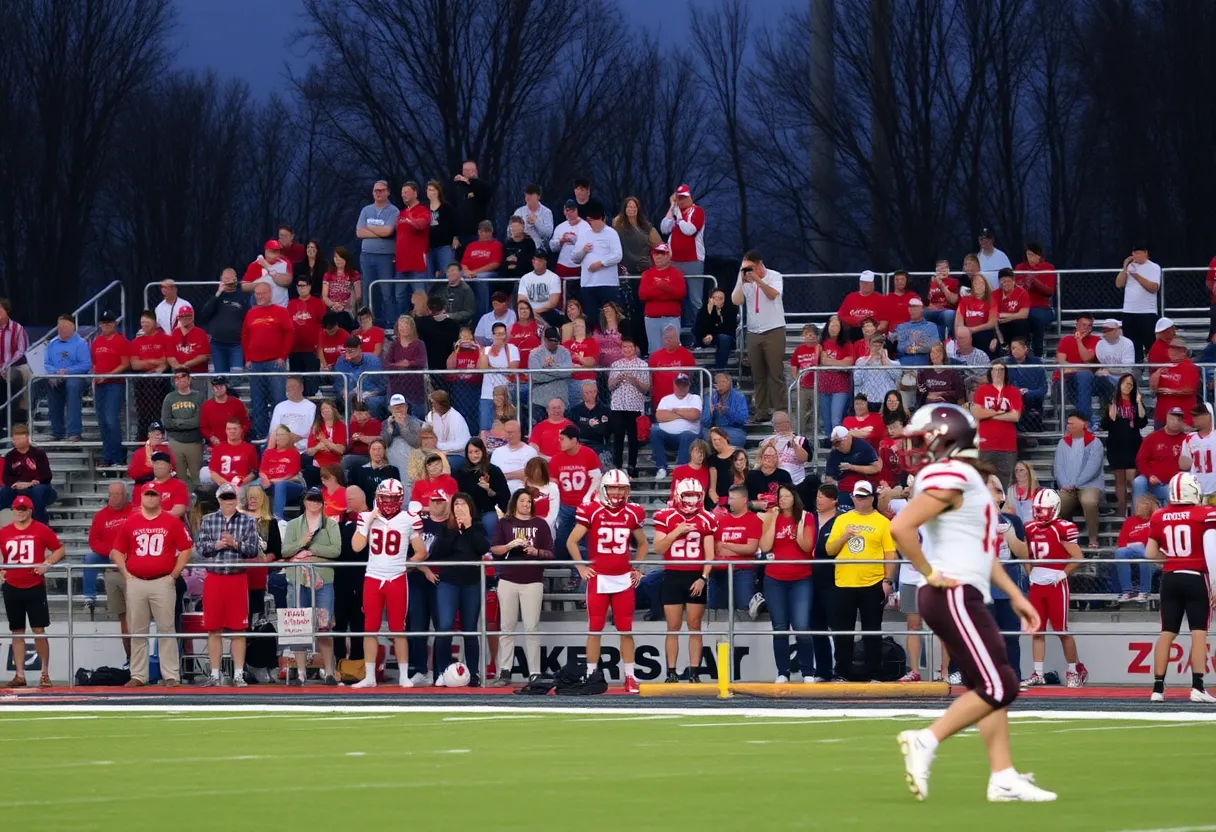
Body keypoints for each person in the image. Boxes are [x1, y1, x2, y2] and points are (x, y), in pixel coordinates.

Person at [890, 402, 1056, 803]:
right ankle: (925, 740)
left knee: (990, 681)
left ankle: (1002, 776)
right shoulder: (955, 474)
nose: (921, 445)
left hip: (964, 592)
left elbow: (984, 551)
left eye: (926, 436)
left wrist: (1016, 593)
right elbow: (900, 526)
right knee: (1003, 683)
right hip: (953, 592)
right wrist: (929, 572)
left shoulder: (963, 477)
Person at [567, 470, 648, 693]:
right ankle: (591, 673)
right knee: (595, 628)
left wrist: (638, 568)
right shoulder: (592, 511)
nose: (618, 492)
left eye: (622, 488)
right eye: (613, 488)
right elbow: (572, 541)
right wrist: (580, 566)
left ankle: (630, 676)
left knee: (626, 630)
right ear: (604, 489)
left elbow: (642, 544)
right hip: (600, 577)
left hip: (623, 577)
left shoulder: (632, 513)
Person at [109, 485, 193, 688]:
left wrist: (174, 575)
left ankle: (171, 674)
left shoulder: (171, 522)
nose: (151, 498)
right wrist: (126, 574)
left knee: (166, 629)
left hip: (162, 580)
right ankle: (138, 674)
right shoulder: (131, 523)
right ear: (141, 497)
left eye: (154, 495)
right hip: (137, 581)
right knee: (138, 631)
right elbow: (116, 551)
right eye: (148, 494)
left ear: (160, 498)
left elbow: (186, 548)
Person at [1144, 472, 1216, 703]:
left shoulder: (1159, 516)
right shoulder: (1205, 514)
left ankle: (1157, 689)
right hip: (1196, 578)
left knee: (1167, 633)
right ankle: (1197, 687)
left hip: (1171, 579)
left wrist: (1173, 559)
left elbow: (1150, 553)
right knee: (1198, 633)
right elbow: (1212, 550)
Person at [350, 479, 427, 688]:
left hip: (397, 578)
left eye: (393, 498)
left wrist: (406, 564)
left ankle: (403, 675)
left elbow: (421, 551)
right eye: (385, 498)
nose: (389, 502)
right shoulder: (366, 516)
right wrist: (368, 521)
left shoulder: (408, 519)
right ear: (378, 497)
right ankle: (370, 677)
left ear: (400, 499)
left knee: (398, 629)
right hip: (373, 577)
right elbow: (356, 547)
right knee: (370, 628)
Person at [824, 481, 895, 681]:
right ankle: (842, 672)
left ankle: (874, 673)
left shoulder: (883, 522)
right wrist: (844, 536)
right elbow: (830, 550)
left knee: (872, 629)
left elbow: (890, 554)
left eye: (864, 496)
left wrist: (888, 580)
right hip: (844, 582)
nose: (859, 499)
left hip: (873, 582)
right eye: (857, 496)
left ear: (872, 498)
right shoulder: (841, 520)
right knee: (842, 631)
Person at [195, 482, 260, 687]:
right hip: (214, 578)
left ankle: (238, 674)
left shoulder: (248, 522)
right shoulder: (208, 521)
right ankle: (214, 674)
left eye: (231, 498)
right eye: (225, 498)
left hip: (236, 578)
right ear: (219, 500)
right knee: (213, 628)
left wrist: (235, 544)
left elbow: (253, 550)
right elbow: (201, 549)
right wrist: (217, 545)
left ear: (236, 500)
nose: (228, 501)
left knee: (238, 628)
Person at [1021, 489, 1087, 688]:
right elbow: (1027, 555)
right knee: (1037, 631)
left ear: (1054, 509)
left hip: (1056, 583)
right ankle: (1038, 673)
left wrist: (1063, 573)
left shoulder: (1063, 528)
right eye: (1037, 510)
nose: (1039, 514)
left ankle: (1074, 670)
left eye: (1043, 510)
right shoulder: (1029, 528)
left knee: (1062, 630)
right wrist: (1030, 571)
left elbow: (1078, 557)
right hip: (1037, 584)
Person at [653, 478, 716, 683]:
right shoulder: (666, 517)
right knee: (673, 626)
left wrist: (703, 578)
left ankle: (694, 672)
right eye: (687, 495)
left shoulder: (706, 519)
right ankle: (671, 672)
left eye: (694, 496)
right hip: (672, 574)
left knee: (694, 625)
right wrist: (677, 531)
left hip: (694, 576)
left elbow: (710, 555)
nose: (690, 500)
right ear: (679, 496)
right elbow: (659, 548)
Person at [488, 488, 553, 685]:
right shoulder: (504, 523)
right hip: (508, 579)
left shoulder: (540, 524)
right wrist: (509, 546)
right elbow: (494, 549)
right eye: (523, 501)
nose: (526, 504)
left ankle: (535, 672)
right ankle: (504, 672)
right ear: (515, 502)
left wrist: (536, 552)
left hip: (533, 581)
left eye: (529, 501)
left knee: (531, 627)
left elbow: (551, 553)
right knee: (506, 626)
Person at [0, 496, 64, 689]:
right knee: (17, 631)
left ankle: (44, 673)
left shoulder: (41, 529)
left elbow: (59, 550)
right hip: (12, 585)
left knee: (39, 630)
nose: (19, 512)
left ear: (30, 510)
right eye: (16, 509)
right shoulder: (4, 532)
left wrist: (47, 564)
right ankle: (20, 675)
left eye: (23, 509)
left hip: (34, 585)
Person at [429, 492, 491, 686]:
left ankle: (473, 674)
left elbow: (482, 547)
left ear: (469, 507)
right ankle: (441, 672)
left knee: (470, 630)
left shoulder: (478, 526)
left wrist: (470, 527)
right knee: (445, 627)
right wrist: (456, 530)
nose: (459, 508)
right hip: (448, 582)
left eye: (463, 504)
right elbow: (437, 552)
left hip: (471, 584)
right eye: (456, 505)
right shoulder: (445, 528)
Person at [282, 487, 342, 685]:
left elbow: (336, 550)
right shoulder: (292, 525)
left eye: (318, 500)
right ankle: (300, 673)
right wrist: (302, 542)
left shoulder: (331, 524)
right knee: (298, 626)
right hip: (298, 579)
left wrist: (310, 550)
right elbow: (285, 550)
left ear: (322, 502)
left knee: (324, 626)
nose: (314, 503)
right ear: (304, 501)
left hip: (323, 580)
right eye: (311, 499)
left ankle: (330, 671)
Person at [757, 483, 817, 683]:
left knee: (801, 625)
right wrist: (772, 520)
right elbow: (765, 546)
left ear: (794, 497)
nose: (783, 500)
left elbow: (807, 547)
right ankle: (783, 672)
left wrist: (798, 529)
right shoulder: (770, 516)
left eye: (786, 496)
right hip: (774, 579)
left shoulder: (806, 517)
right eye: (780, 496)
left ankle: (808, 671)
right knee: (780, 627)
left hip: (801, 578)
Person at [731, 251, 785, 423]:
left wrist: (758, 280)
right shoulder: (745, 281)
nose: (748, 271)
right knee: (758, 374)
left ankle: (780, 411)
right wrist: (741, 278)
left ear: (760, 264)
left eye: (751, 267)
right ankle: (762, 411)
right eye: (746, 267)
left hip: (774, 329)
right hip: (754, 331)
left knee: (776, 372)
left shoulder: (774, 276)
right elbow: (736, 300)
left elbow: (773, 294)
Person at [242, 281, 294, 440]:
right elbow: (245, 335)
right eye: (256, 294)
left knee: (279, 400)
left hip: (274, 363)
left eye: (262, 293)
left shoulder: (281, 312)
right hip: (255, 364)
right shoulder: (250, 313)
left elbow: (289, 333)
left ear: (270, 293)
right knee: (258, 402)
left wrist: (282, 357)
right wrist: (247, 358)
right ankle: (261, 435)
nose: (259, 297)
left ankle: (280, 435)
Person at [1053, 409, 1105, 550]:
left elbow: (1092, 468)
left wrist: (1076, 484)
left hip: (1090, 485)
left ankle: (1093, 537)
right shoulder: (1063, 443)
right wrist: (1064, 484)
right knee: (1057, 503)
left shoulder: (1095, 443)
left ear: (1084, 424)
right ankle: (1067, 535)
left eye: (1073, 423)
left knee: (1089, 501)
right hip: (1068, 487)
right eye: (1068, 423)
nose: (1069, 426)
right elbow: (1058, 466)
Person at [550, 425, 603, 562]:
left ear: (574, 440)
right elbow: (553, 484)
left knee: (588, 537)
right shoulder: (556, 459)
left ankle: (591, 563)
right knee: (562, 537)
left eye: (562, 439)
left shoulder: (589, 454)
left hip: (585, 505)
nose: (559, 442)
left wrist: (587, 497)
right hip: (565, 504)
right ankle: (561, 564)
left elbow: (596, 478)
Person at [84, 481, 135, 616]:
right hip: (107, 555)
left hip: (129, 555)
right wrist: (111, 552)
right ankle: (89, 596)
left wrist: (123, 552)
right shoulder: (100, 515)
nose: (114, 498)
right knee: (89, 559)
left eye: (117, 494)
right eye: (111, 494)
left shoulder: (135, 512)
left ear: (125, 495)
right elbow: (93, 541)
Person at [971, 362, 1022, 489]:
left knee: (1003, 487)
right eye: (995, 370)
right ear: (990, 373)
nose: (998, 373)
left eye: (1001, 370)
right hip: (985, 446)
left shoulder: (1013, 392)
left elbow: (1015, 416)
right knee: (982, 485)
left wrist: (989, 415)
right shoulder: (982, 390)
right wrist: (998, 412)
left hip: (1007, 447)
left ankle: (1000, 509)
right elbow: (977, 413)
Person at [89, 310, 130, 466]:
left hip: (115, 384)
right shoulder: (97, 341)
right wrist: (95, 374)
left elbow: (125, 363)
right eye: (103, 323)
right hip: (99, 385)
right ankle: (108, 457)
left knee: (111, 419)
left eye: (109, 323)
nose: (106, 325)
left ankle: (118, 456)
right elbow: (94, 363)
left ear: (115, 324)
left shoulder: (121, 341)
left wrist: (107, 375)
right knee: (102, 421)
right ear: (100, 325)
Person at [333, 486, 368, 666]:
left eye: (352, 496)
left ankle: (358, 662)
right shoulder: (341, 521)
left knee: (358, 621)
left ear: (362, 497)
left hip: (361, 576)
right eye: (346, 497)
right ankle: (338, 661)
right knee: (339, 621)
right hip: (341, 578)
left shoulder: (370, 519)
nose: (348, 500)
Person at [42, 314, 91, 441]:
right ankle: (56, 431)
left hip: (77, 377)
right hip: (58, 376)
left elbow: (86, 364)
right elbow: (47, 364)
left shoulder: (81, 343)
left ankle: (74, 432)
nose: (61, 329)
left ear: (72, 327)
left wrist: (67, 371)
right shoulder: (52, 344)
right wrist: (55, 373)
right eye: (59, 326)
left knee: (72, 385)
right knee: (50, 383)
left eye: (64, 326)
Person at [572, 200, 623, 316]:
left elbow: (618, 255)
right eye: (592, 221)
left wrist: (601, 263)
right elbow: (575, 258)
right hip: (588, 285)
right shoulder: (584, 233)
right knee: (591, 318)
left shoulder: (611, 233)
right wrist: (583, 251)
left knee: (610, 318)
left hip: (608, 284)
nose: (595, 225)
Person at [355, 181, 399, 313]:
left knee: (386, 291)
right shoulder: (366, 210)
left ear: (388, 192)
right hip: (366, 255)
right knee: (368, 290)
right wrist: (380, 231)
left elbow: (388, 232)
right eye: (375, 191)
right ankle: (368, 321)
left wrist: (369, 227)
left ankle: (390, 322)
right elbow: (359, 232)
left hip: (385, 257)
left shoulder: (394, 211)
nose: (378, 193)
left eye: (381, 190)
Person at [607, 338, 648, 475]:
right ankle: (617, 465)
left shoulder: (642, 365)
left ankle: (632, 466)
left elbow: (645, 388)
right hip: (618, 405)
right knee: (617, 437)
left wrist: (634, 380)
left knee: (633, 438)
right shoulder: (615, 364)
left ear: (635, 348)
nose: (627, 349)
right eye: (624, 347)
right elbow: (610, 386)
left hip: (634, 406)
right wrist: (618, 378)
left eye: (629, 347)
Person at [0, 425, 56, 524]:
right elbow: (6, 477)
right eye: (14, 439)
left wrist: (31, 483)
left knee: (37, 491)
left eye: (19, 438)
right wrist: (17, 484)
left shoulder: (39, 454)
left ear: (27, 438)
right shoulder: (10, 456)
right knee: (5, 490)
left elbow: (47, 475)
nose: (15, 441)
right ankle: (8, 523)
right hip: (18, 487)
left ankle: (40, 524)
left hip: (38, 486)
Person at [637, 243, 686, 354]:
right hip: (651, 319)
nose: (658, 257)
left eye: (662, 254)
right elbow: (643, 295)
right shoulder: (647, 274)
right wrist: (666, 291)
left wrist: (663, 286)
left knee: (673, 349)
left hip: (671, 318)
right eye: (655, 254)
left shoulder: (676, 274)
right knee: (654, 352)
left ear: (668, 255)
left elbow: (680, 294)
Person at [651, 372, 702, 479]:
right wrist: (684, 414)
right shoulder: (666, 399)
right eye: (678, 384)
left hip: (688, 436)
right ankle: (661, 468)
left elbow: (694, 415)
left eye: (684, 384)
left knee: (687, 435)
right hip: (667, 436)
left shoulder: (695, 398)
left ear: (688, 385)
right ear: (674, 384)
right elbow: (659, 416)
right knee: (655, 430)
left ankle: (680, 469)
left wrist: (675, 411)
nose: (681, 387)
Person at [1117, 244, 1162, 362]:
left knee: (1150, 343)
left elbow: (1153, 288)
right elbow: (1119, 284)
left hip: (1147, 312)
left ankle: (1154, 368)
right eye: (1133, 253)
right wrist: (1124, 268)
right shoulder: (1130, 266)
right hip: (1129, 311)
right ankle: (1135, 373)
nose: (1135, 256)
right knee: (1131, 345)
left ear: (1145, 253)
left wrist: (1135, 275)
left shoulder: (1154, 267)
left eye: (1138, 253)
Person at [161, 368, 205, 489]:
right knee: (180, 476)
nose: (180, 380)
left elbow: (198, 421)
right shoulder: (169, 398)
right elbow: (166, 421)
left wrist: (178, 423)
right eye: (177, 377)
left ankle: (197, 502)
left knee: (196, 476)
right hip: (175, 441)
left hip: (194, 441)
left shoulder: (198, 396)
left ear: (189, 379)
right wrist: (186, 423)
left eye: (183, 376)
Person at [1134, 408, 1187, 505]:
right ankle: (1139, 517)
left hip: (1174, 484)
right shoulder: (1152, 438)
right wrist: (1150, 475)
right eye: (1172, 419)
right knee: (1138, 482)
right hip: (1153, 483)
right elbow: (1141, 459)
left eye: (1179, 420)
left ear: (1182, 422)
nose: (1175, 422)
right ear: (1167, 419)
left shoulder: (1187, 440)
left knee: (1171, 491)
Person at [1014, 242, 1057, 357]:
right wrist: (1023, 284)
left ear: (1040, 255)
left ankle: (1038, 351)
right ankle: (1023, 351)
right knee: (1020, 320)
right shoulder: (1020, 268)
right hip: (1024, 307)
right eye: (1029, 254)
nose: (1032, 258)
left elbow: (1049, 291)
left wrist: (1034, 280)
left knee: (1036, 317)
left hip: (1042, 307)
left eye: (1035, 255)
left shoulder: (1048, 268)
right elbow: (1015, 289)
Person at [1113, 495, 1158, 603]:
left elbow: (1158, 540)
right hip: (1131, 551)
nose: (1137, 508)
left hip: (1151, 553)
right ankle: (1127, 591)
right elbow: (1121, 543)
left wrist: (1142, 546)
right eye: (1136, 506)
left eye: (1141, 506)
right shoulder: (1130, 521)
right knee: (1120, 552)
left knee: (1144, 555)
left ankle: (1144, 592)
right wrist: (1134, 546)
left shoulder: (1155, 520)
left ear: (1149, 507)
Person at [824, 427, 879, 511]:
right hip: (842, 488)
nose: (837, 447)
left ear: (848, 438)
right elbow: (829, 478)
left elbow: (876, 468)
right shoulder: (834, 453)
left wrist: (852, 467)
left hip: (863, 484)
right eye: (835, 444)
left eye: (839, 443)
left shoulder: (862, 446)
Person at [477, 322, 520, 429]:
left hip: (506, 393)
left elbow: (512, 370)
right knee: (486, 428)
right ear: (493, 335)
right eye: (497, 334)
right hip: (487, 394)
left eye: (502, 333)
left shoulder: (512, 348)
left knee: (507, 427)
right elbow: (481, 368)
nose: (500, 337)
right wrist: (491, 350)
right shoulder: (486, 350)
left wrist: (491, 368)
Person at [817, 316, 854, 439]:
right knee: (826, 421)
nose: (834, 328)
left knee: (836, 419)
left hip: (840, 387)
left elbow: (848, 363)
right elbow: (821, 361)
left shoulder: (847, 344)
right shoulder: (821, 343)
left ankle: (838, 445)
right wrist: (839, 363)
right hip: (824, 386)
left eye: (837, 325)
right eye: (832, 325)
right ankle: (829, 445)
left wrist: (830, 362)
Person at [383, 316, 427, 416]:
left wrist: (409, 363)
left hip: (415, 388)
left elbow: (422, 362)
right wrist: (399, 365)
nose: (404, 328)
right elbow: (386, 364)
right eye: (401, 325)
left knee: (417, 419)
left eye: (406, 324)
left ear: (412, 327)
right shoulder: (394, 345)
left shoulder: (419, 344)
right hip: (396, 387)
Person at [334, 335, 386, 419]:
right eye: (346, 351)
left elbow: (381, 386)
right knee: (346, 399)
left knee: (373, 402)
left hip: (372, 394)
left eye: (351, 351)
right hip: (351, 394)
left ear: (359, 349)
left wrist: (369, 394)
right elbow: (338, 382)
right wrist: (343, 391)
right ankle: (350, 426)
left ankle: (372, 425)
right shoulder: (341, 361)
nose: (348, 354)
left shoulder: (373, 361)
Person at [1150, 338, 1199, 429]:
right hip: (1162, 417)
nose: (1171, 351)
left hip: (1183, 419)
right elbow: (1153, 387)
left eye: (1175, 349)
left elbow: (1189, 390)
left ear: (1183, 351)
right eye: (1170, 348)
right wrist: (1157, 373)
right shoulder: (1165, 365)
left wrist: (1170, 391)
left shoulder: (1190, 367)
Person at [647, 324, 695, 414]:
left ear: (677, 338)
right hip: (660, 400)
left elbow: (691, 375)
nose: (667, 340)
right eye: (665, 338)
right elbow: (650, 376)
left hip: (680, 399)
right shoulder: (654, 356)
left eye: (670, 337)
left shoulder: (686, 354)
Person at [260, 425, 305, 519]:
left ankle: (278, 518)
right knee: (253, 486)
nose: (280, 438)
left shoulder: (294, 453)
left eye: (283, 436)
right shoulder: (268, 453)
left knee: (281, 484)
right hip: (270, 484)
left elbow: (292, 473)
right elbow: (262, 471)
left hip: (291, 485)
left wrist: (276, 480)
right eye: (278, 436)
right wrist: (265, 479)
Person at [205, 417, 258, 493]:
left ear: (241, 430)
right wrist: (226, 485)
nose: (232, 431)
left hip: (242, 485)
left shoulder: (250, 449)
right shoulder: (218, 448)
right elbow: (213, 473)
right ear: (226, 431)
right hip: (222, 485)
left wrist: (240, 484)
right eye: (229, 429)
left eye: (235, 429)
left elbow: (253, 473)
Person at [303, 400, 347, 489]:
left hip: (334, 464)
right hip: (318, 464)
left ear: (334, 410)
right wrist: (318, 447)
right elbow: (309, 452)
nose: (325, 411)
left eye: (328, 408)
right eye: (323, 409)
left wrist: (324, 441)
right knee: (308, 469)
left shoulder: (340, 426)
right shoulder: (316, 427)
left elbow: (340, 450)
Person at [268, 376, 317, 453]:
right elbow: (273, 429)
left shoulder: (311, 407)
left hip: (303, 447)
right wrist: (287, 437)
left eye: (293, 386)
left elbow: (312, 430)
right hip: (282, 445)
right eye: (287, 386)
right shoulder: (279, 406)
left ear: (302, 388)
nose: (289, 388)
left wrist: (297, 437)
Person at [694, 288, 738, 371]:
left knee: (725, 338)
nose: (718, 300)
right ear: (710, 299)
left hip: (724, 338)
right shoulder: (703, 311)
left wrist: (712, 335)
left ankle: (720, 370)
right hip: (705, 338)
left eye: (721, 298)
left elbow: (728, 330)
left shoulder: (730, 311)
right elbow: (698, 330)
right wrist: (708, 312)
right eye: (715, 298)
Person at [1179, 403, 1216, 502]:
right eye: (1193, 416)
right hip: (1196, 491)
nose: (1194, 418)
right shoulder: (1189, 438)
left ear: (1208, 416)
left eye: (1197, 416)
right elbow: (1183, 466)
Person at [568, 380, 612, 464]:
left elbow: (607, 432)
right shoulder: (575, 410)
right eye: (585, 392)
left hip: (598, 444)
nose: (588, 395)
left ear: (595, 392)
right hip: (580, 444)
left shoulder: (605, 410)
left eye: (590, 392)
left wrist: (597, 426)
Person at [701, 372, 748, 448]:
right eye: (716, 383)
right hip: (714, 430)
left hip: (734, 430)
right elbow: (705, 423)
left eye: (722, 382)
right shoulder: (710, 397)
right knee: (703, 434)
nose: (718, 385)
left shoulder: (739, 397)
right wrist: (709, 412)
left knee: (737, 439)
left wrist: (727, 411)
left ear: (729, 383)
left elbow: (742, 419)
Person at [955, 272, 998, 356]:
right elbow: (958, 322)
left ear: (985, 285)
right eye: (976, 283)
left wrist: (972, 330)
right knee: (963, 338)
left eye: (981, 283)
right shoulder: (965, 300)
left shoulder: (991, 301)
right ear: (973, 286)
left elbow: (992, 323)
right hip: (967, 333)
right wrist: (962, 333)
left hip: (983, 333)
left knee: (983, 335)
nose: (979, 285)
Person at [517, 251, 562, 327]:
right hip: (528, 311)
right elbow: (521, 300)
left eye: (540, 260)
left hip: (546, 311)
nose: (537, 262)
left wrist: (535, 312)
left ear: (545, 262)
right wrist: (530, 312)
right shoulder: (525, 278)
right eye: (535, 260)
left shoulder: (554, 278)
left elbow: (553, 302)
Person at [242, 239, 293, 307]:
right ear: (267, 252)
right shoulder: (256, 265)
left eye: (278, 252)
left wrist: (269, 268)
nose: (277, 255)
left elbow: (287, 282)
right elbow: (244, 287)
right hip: (263, 308)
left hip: (282, 307)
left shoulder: (284, 263)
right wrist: (260, 285)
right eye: (274, 252)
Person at [837, 271, 887, 339]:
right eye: (863, 282)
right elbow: (841, 315)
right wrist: (856, 320)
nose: (864, 285)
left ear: (872, 284)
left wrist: (872, 331)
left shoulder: (881, 299)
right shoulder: (850, 297)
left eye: (867, 283)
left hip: (873, 332)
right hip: (853, 330)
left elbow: (884, 323)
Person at [426, 180, 459, 280]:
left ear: (437, 192)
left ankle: (447, 294)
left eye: (431, 190)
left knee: (446, 272)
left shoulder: (446, 207)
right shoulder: (424, 207)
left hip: (444, 245)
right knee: (428, 274)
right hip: (428, 246)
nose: (429, 192)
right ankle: (431, 295)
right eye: (428, 190)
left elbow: (455, 223)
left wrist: (456, 237)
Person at [322, 247, 361, 330]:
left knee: (343, 318)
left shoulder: (354, 274)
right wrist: (333, 305)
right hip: (332, 308)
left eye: (341, 257)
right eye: (336, 257)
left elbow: (358, 295)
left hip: (348, 309)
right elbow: (324, 296)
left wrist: (344, 305)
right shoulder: (328, 274)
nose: (338, 260)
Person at [891, 299, 939, 366]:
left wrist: (910, 349)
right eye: (910, 308)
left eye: (915, 308)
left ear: (922, 309)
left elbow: (929, 347)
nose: (912, 310)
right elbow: (901, 348)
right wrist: (919, 346)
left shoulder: (930, 326)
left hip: (923, 367)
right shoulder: (902, 327)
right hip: (903, 366)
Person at [923, 260, 960, 342]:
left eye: (945, 268)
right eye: (940, 269)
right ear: (936, 271)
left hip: (946, 311)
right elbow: (927, 301)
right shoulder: (931, 282)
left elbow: (954, 301)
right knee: (922, 313)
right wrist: (930, 306)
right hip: (932, 311)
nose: (942, 271)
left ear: (948, 270)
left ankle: (950, 341)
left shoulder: (953, 282)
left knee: (950, 314)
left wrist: (941, 285)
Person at [515, 183, 554, 259]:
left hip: (539, 251)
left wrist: (536, 222)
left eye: (532, 194)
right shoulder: (519, 212)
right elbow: (510, 231)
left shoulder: (546, 212)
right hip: (521, 249)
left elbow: (548, 234)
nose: (528, 196)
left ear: (538, 197)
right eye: (527, 194)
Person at [993, 268, 1030, 347]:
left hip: (1018, 325)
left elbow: (1024, 314)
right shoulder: (994, 294)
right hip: (1001, 326)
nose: (1005, 284)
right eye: (1002, 281)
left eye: (1008, 281)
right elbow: (994, 315)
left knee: (1021, 323)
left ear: (1013, 281)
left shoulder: (1022, 293)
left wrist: (1005, 316)